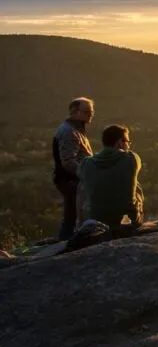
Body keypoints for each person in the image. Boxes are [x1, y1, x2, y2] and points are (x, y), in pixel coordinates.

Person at [78, 124, 144, 233]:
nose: (129, 146)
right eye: (127, 142)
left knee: (83, 186)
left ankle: (79, 226)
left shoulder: (86, 163)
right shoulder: (131, 159)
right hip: (126, 222)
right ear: (119, 143)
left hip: (95, 221)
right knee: (136, 185)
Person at [52, 97, 95, 240]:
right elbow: (69, 161)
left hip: (72, 180)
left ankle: (66, 242)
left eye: (92, 111)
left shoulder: (75, 130)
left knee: (72, 215)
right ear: (74, 112)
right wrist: (85, 175)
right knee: (72, 216)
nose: (91, 114)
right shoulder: (70, 132)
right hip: (71, 180)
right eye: (87, 111)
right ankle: (66, 244)